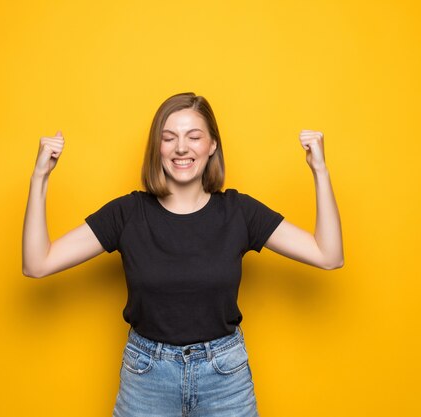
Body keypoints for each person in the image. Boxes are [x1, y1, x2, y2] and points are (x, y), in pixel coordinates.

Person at [22, 92, 344, 416]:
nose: (181, 148)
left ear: (212, 146)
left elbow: (328, 255)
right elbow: (38, 263)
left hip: (225, 377)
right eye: (169, 137)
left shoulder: (239, 212)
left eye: (194, 137)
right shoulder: (128, 213)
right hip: (146, 376)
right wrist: (40, 178)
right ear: (157, 147)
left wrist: (320, 171)